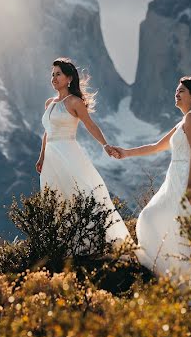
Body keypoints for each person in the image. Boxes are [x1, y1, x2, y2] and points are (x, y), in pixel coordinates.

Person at [112, 76, 191, 289]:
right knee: (153, 218)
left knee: (174, 225)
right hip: (175, 178)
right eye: (176, 91)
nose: (176, 94)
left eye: (181, 91)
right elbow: (157, 146)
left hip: (187, 179)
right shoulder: (185, 120)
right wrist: (125, 153)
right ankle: (173, 274)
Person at [36, 57, 130, 244]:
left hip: (68, 153)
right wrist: (41, 157)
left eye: (58, 74)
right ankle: (63, 244)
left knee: (79, 193)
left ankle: (93, 242)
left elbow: (90, 125)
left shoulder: (74, 102)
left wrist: (105, 144)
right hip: (51, 157)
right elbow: (47, 132)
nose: (54, 78)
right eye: (52, 75)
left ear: (69, 78)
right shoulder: (49, 103)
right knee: (55, 199)